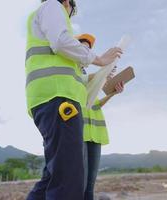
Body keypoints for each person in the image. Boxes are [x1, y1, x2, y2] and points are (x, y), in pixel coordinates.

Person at [25, 0, 123, 199]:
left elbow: (88, 86)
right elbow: (61, 41)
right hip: (58, 97)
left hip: (52, 99)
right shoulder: (53, 5)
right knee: (68, 180)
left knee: (55, 175)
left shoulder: (71, 67)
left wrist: (105, 75)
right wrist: (100, 59)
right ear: (68, 3)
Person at [76, 33, 124, 200]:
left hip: (95, 135)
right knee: (78, 184)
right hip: (78, 133)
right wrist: (102, 74)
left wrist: (112, 93)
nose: (86, 50)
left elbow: (95, 104)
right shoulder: (70, 71)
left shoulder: (88, 76)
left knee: (89, 185)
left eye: (89, 48)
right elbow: (79, 80)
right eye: (83, 47)